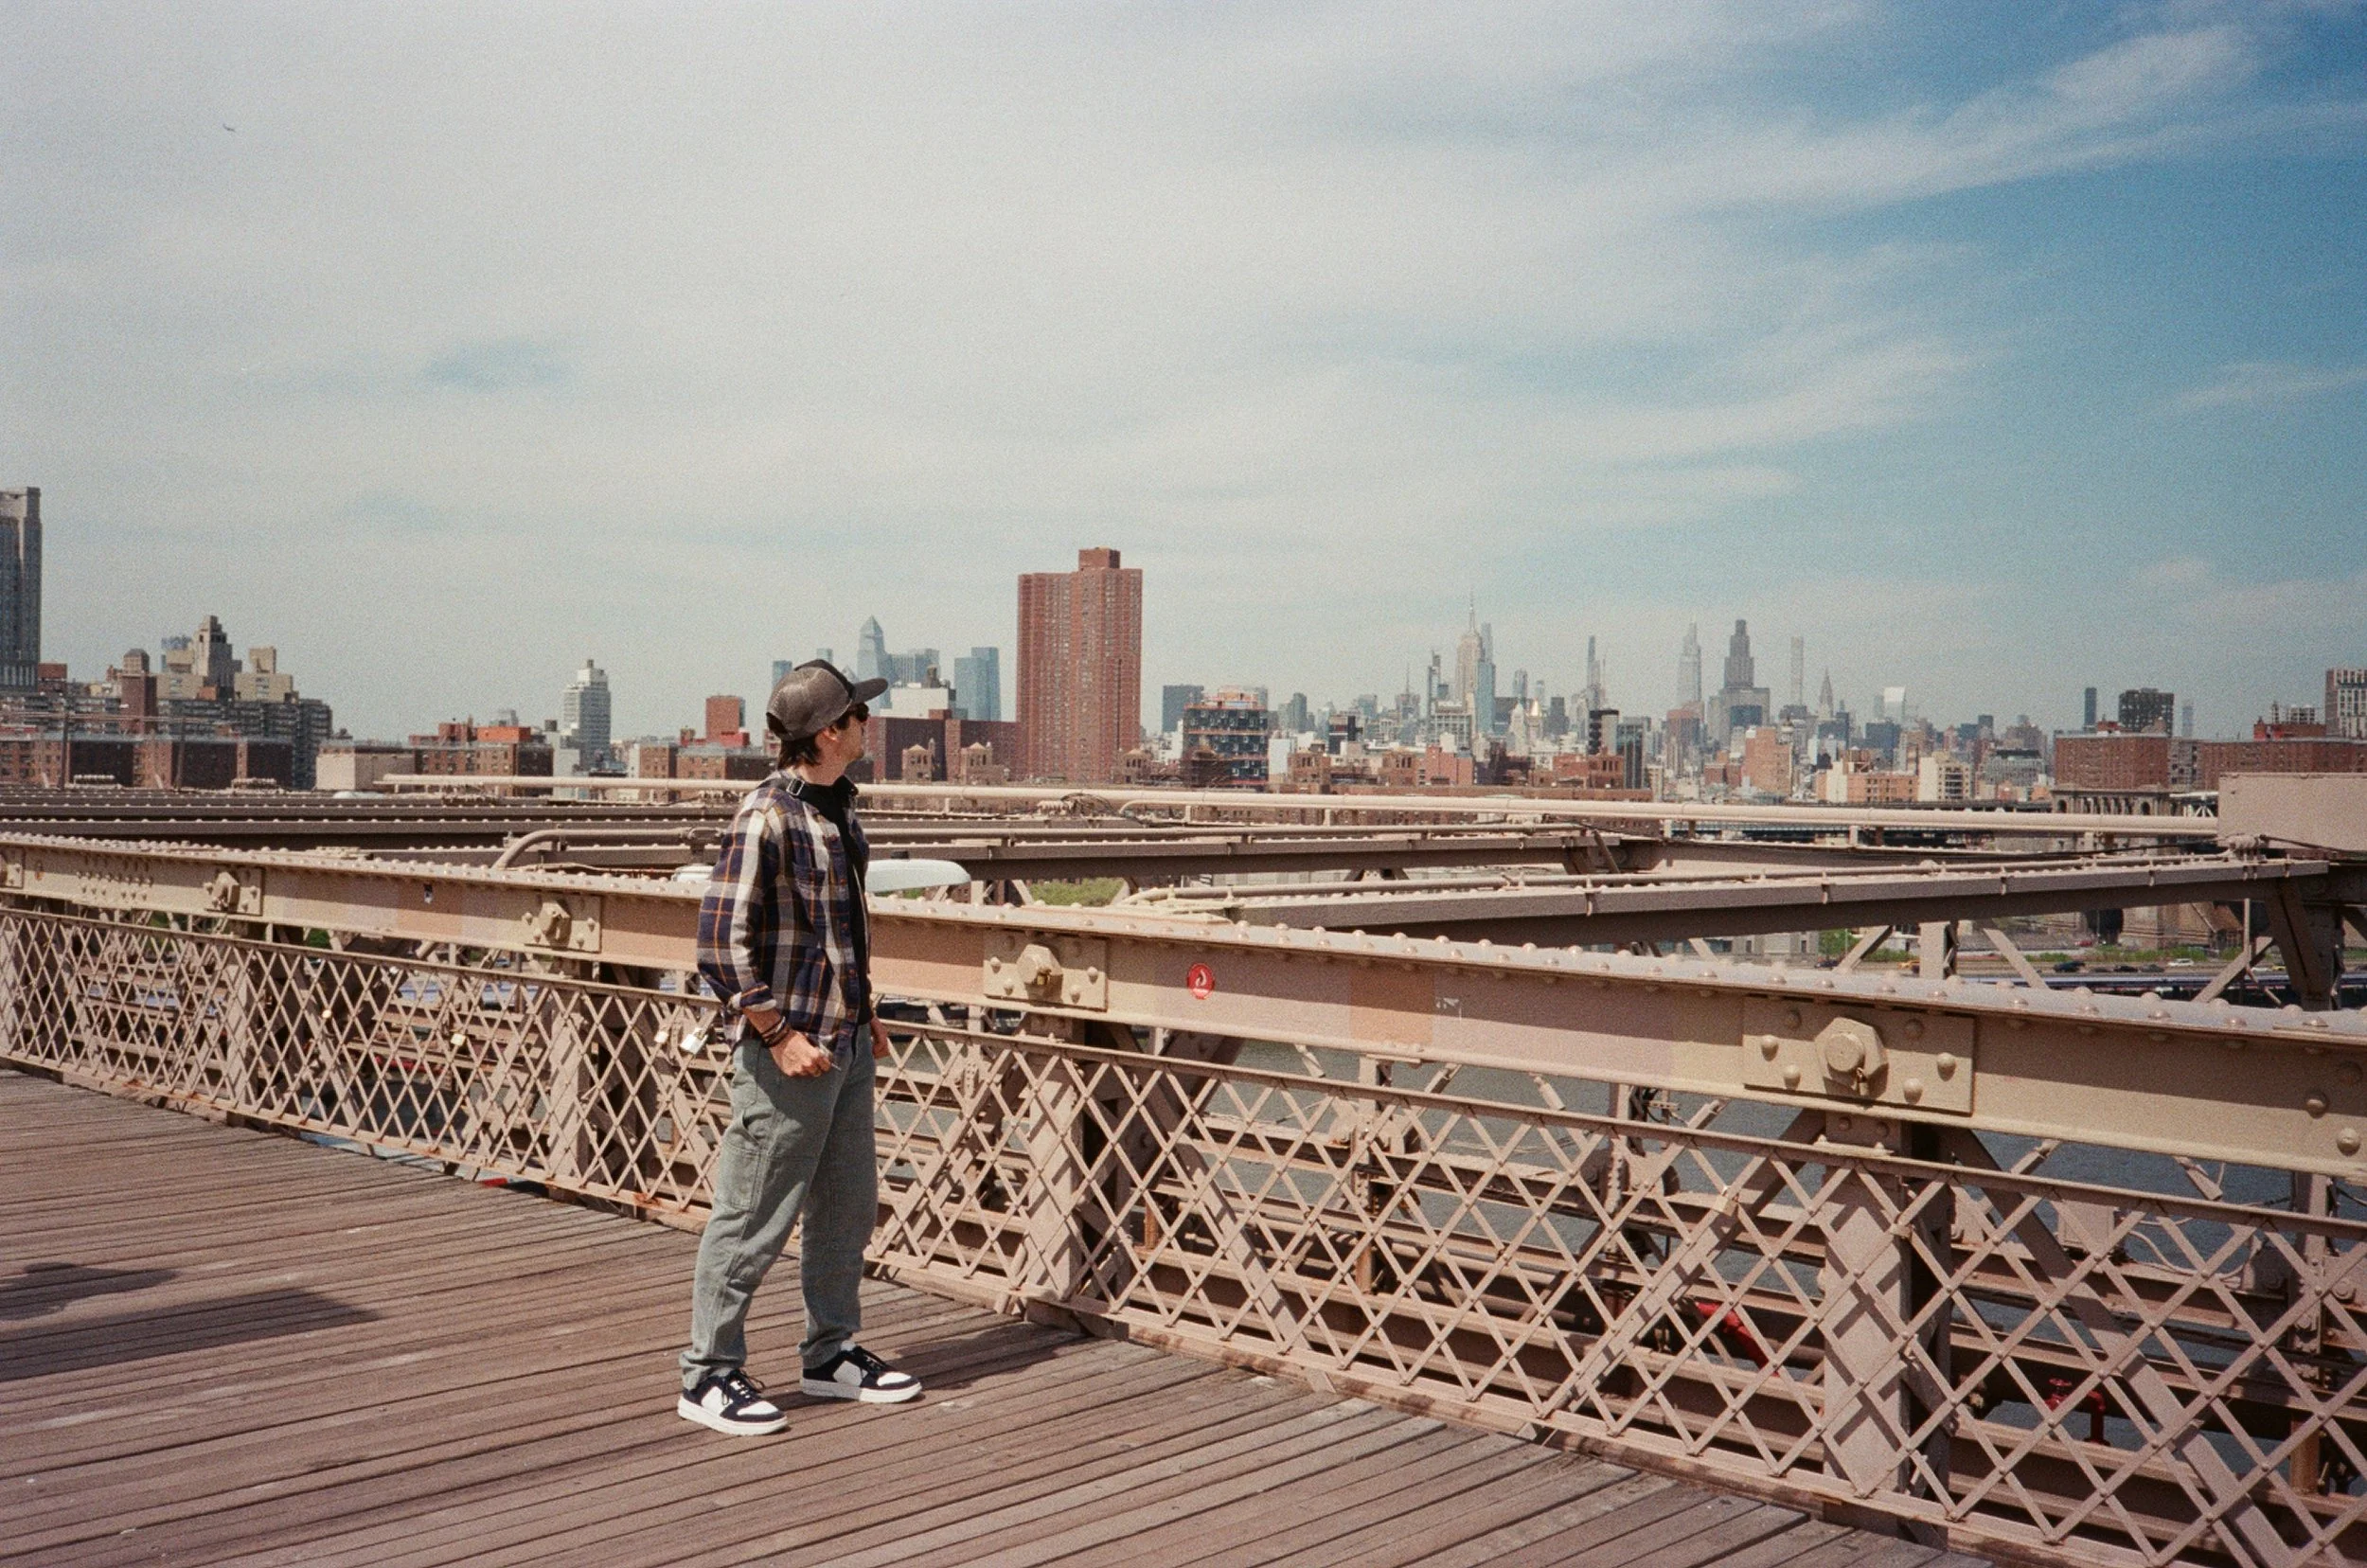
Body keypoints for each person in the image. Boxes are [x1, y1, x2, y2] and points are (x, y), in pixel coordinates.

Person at [677, 659, 922, 1435]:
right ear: (828, 733)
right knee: (752, 1215)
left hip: (843, 1042)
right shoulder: (766, 817)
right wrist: (777, 1035)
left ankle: (830, 1353)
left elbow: (838, 931)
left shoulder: (841, 809)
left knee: (848, 1208)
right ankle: (708, 1373)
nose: (868, 723)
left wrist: (863, 1005)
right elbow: (719, 945)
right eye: (857, 714)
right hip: (787, 1053)